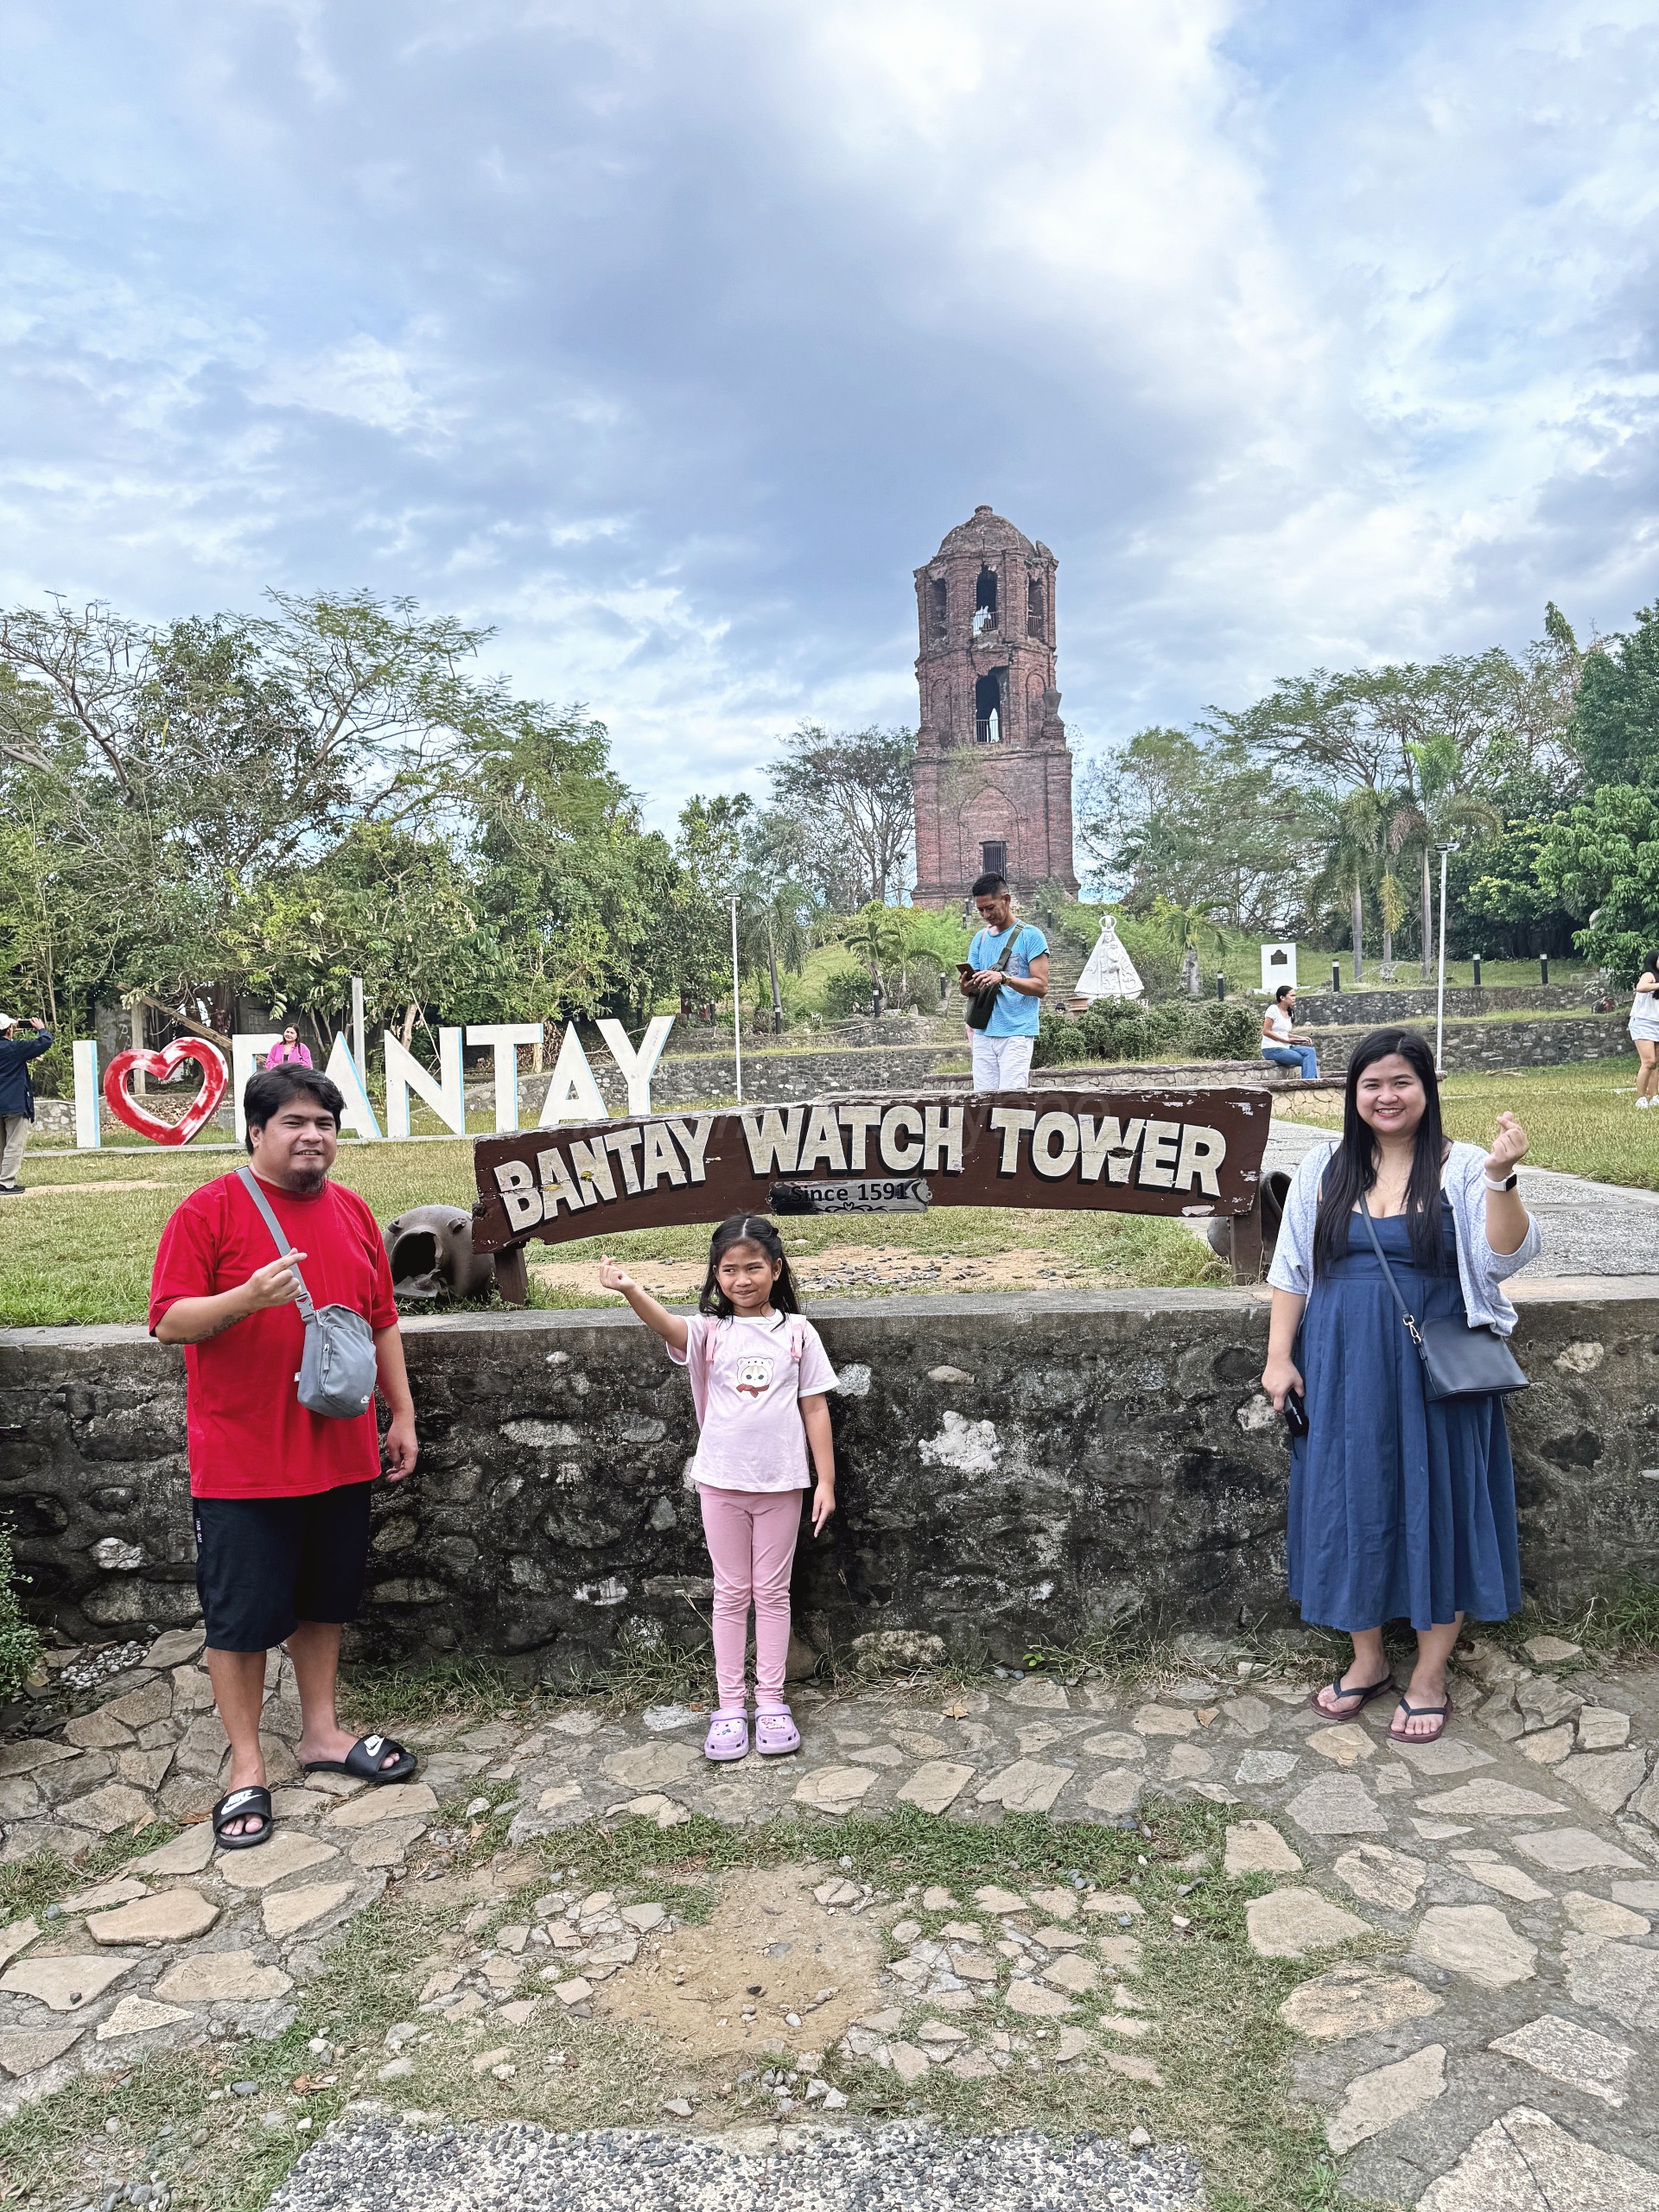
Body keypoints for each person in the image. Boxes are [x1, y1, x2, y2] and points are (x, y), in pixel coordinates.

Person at [149, 1063, 420, 1848]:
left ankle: (323, 1734)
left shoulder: (355, 1212)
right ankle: (244, 1767)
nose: (312, 1137)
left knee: (323, 1601)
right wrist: (247, 1300)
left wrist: (400, 1412)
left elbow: (381, 1319)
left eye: (325, 1124)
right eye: (295, 1123)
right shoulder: (210, 1210)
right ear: (258, 1131)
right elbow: (169, 1321)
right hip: (243, 1460)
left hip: (339, 1450)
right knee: (238, 1620)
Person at [1261, 1027, 1537, 1745]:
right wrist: (1279, 1358)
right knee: (1349, 1500)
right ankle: (1368, 1660)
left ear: (1426, 1089)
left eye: (1401, 1082)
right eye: (1372, 1084)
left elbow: (1505, 1257)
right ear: (1353, 1095)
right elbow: (1292, 1271)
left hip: (1436, 1370)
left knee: (1439, 1502)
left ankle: (1429, 1673)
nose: (1387, 1096)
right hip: (1342, 1362)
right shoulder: (1324, 1165)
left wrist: (1505, 1180)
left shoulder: (1466, 1165)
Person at [599, 1215, 837, 1761]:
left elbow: (816, 1407)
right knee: (731, 1593)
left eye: (754, 1267)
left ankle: (772, 1702)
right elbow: (667, 1326)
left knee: (773, 1593)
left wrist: (825, 1480)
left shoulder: (798, 1333)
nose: (742, 1279)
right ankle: (731, 1706)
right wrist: (632, 1288)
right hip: (721, 1484)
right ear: (716, 1274)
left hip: (783, 1484)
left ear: (776, 1269)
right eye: (729, 1269)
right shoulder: (709, 1333)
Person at [959, 873, 1049, 1092]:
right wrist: (966, 986)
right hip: (983, 1032)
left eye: (990, 908)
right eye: (980, 910)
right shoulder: (980, 939)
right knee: (982, 1103)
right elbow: (971, 988)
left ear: (1006, 900)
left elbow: (1041, 987)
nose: (985, 914)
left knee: (1011, 1103)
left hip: (1016, 1033)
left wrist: (1004, 978)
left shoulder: (1030, 936)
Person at [0, 1013, 52, 1195]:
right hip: (14, 1102)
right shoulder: (14, 1048)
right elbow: (44, 1043)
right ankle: (6, 1183)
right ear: (8, 1030)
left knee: (1, 1144)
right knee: (14, 1143)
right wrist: (41, 1029)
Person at [1260, 984, 1319, 1081]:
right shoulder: (1273, 1009)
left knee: (1310, 1051)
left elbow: (1284, 1033)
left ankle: (1311, 1082)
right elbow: (1266, 1031)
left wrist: (1300, 1038)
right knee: (1306, 1059)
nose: (1294, 998)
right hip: (1272, 1049)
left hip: (1286, 1047)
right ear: (1282, 997)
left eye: (1294, 996)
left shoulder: (1289, 1013)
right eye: (1291, 996)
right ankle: (1309, 1084)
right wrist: (1288, 1041)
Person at [1628, 952, 1659, 1108]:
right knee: (1649, 1061)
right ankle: (1641, 1098)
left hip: (1657, 1024)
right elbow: (1640, 988)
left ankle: (1655, 1097)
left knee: (1655, 1063)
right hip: (1643, 1023)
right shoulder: (1649, 975)